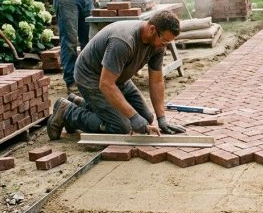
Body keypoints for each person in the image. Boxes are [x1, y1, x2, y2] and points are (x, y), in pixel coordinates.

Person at [46, 10, 187, 138]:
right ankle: (67, 112)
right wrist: (132, 117)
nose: (165, 45)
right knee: (122, 126)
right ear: (152, 29)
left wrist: (161, 118)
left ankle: (81, 104)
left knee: (146, 118)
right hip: (91, 77)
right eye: (164, 41)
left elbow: (156, 81)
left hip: (118, 78)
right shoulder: (123, 41)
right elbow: (106, 84)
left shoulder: (157, 45)